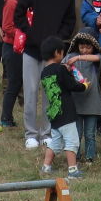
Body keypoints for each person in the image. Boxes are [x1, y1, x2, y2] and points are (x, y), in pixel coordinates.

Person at [15, 0, 79, 149]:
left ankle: (46, 132)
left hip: (53, 52)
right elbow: (19, 15)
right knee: (31, 91)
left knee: (50, 91)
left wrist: (57, 40)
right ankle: (31, 133)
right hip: (32, 49)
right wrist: (32, 34)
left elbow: (69, 21)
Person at [37, 36, 87, 179]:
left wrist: (65, 70)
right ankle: (73, 170)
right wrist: (84, 86)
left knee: (56, 141)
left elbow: (59, 80)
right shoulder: (61, 70)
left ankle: (46, 167)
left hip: (54, 111)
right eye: (62, 53)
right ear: (57, 53)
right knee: (72, 140)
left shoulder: (44, 72)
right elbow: (72, 85)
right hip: (66, 111)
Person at [66, 31, 101, 162]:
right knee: (76, 133)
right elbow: (62, 68)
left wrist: (78, 58)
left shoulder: (97, 58)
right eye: (81, 47)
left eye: (88, 47)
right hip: (76, 102)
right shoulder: (70, 56)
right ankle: (75, 156)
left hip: (92, 101)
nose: (84, 50)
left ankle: (90, 157)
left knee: (90, 133)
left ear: (94, 46)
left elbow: (98, 58)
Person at [0, 0, 30, 127]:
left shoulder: (25, 1)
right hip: (12, 47)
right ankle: (5, 118)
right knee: (14, 83)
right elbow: (7, 26)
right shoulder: (12, 3)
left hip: (21, 47)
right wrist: (25, 34)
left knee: (18, 83)